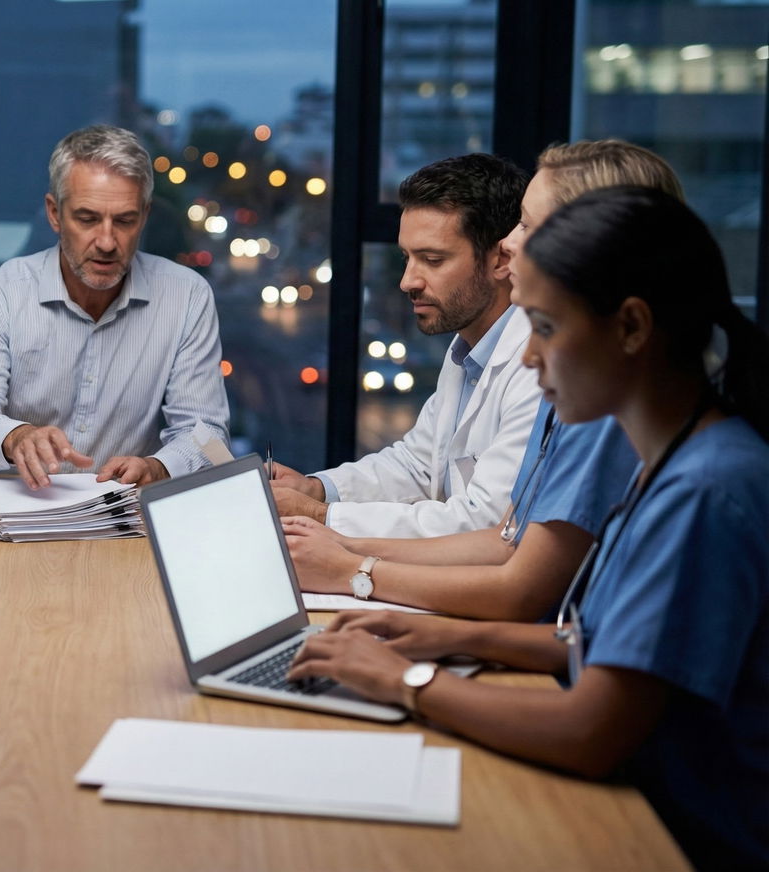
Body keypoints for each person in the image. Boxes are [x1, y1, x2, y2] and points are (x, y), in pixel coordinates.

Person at [288, 186, 769, 870]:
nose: (527, 357)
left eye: (544, 328)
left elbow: (591, 728)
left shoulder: (704, 490)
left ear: (631, 328)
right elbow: (596, 642)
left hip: (679, 837)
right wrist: (445, 636)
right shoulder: (675, 458)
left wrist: (408, 682)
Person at [282, 141, 678, 619]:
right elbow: (506, 546)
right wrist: (321, 501)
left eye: (527, 226)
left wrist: (347, 558)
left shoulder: (598, 409)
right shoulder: (490, 352)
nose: (510, 242)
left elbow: (514, 573)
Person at [0, 124, 229, 490]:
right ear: (54, 213)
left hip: (123, 514)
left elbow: (205, 433)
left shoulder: (187, 297)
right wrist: (16, 437)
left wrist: (159, 467)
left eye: (125, 221)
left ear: (144, 215)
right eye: (87, 219)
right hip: (15, 514)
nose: (107, 242)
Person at [269, 153, 538, 537]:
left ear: (501, 260)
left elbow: (486, 523)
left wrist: (321, 516)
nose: (408, 281)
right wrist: (316, 489)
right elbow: (417, 465)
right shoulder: (466, 348)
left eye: (432, 259)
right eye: (407, 258)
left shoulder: (535, 364)